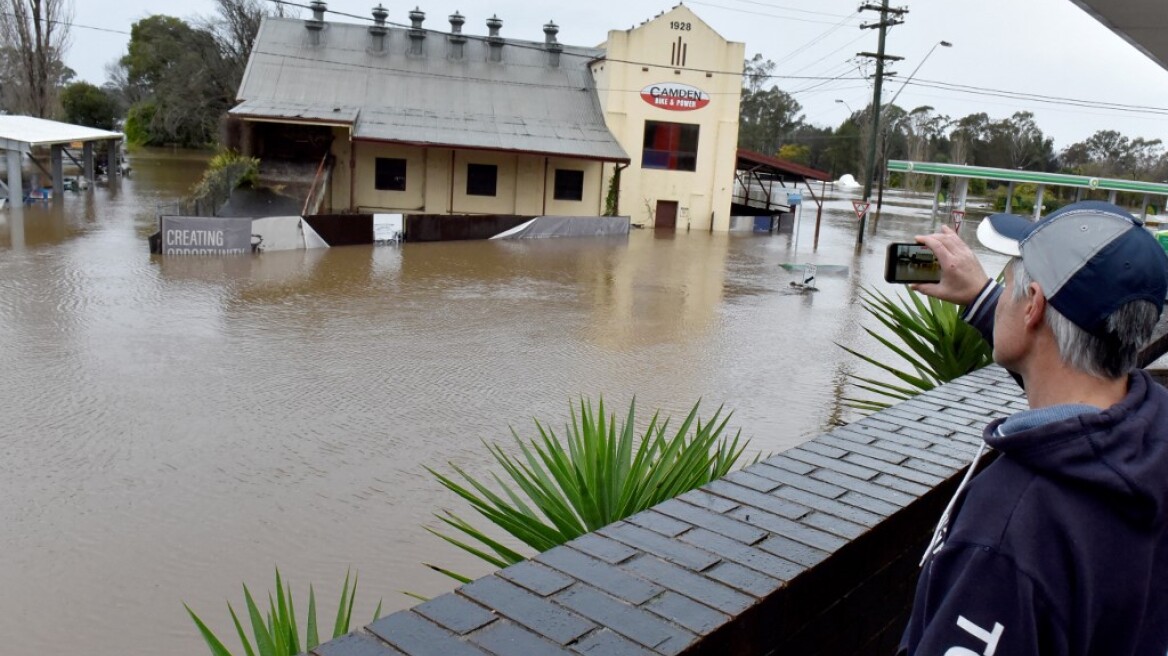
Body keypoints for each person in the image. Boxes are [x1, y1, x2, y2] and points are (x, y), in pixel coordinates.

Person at [897, 200, 1168, 655]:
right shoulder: (1151, 428)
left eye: (1007, 287)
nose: (1002, 295)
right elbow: (1067, 378)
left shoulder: (1009, 533)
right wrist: (985, 299)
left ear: (1033, 307)